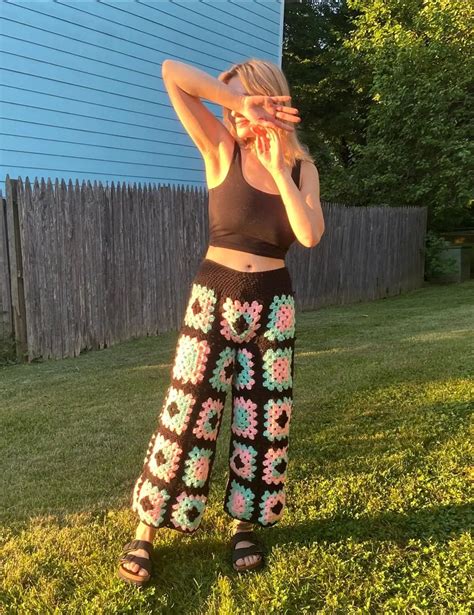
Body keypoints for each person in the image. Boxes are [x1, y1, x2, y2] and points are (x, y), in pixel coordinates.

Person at [117, 57, 324, 586]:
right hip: (212, 300)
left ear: (271, 99)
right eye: (229, 105)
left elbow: (308, 236)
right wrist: (237, 102)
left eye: (243, 102)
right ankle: (146, 529)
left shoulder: (303, 170)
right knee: (187, 415)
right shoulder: (219, 150)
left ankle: (244, 526)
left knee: (264, 423)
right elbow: (171, 73)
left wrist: (277, 168)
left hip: (273, 308)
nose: (232, 115)